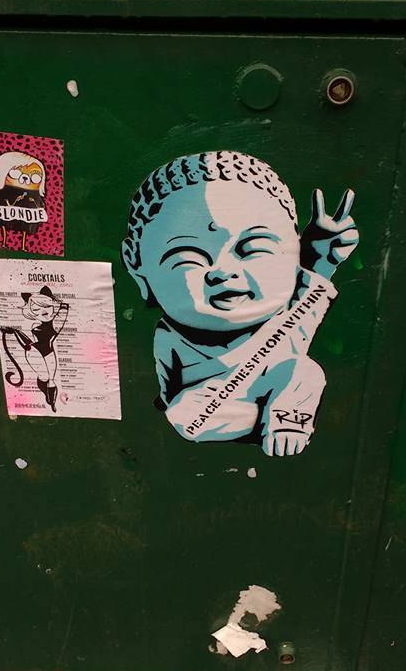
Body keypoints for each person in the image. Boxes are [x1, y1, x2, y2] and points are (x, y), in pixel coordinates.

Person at [121, 151, 358, 456]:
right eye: (189, 256)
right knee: (183, 414)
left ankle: (287, 419)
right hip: (216, 404)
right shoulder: (169, 336)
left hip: (279, 380)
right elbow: (170, 392)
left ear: (292, 250)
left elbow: (304, 315)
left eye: (252, 248)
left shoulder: (283, 319)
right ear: (138, 265)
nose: (223, 270)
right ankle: (261, 419)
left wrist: (319, 262)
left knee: (305, 372)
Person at [0, 285, 69, 412]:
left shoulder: (55, 324)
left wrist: (59, 305)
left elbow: (63, 312)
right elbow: (31, 342)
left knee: (51, 379)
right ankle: (47, 396)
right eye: (36, 310)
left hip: (48, 352)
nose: (43, 312)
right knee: (43, 376)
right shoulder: (35, 324)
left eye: (47, 307)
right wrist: (15, 331)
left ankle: (51, 402)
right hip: (34, 352)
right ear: (31, 313)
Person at [0, 151, 47, 251]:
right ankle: (4, 242)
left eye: (35, 176)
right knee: (3, 224)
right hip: (6, 213)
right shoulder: (2, 193)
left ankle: (23, 246)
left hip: (27, 213)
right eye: (16, 173)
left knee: (25, 227)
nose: (25, 178)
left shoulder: (34, 196)